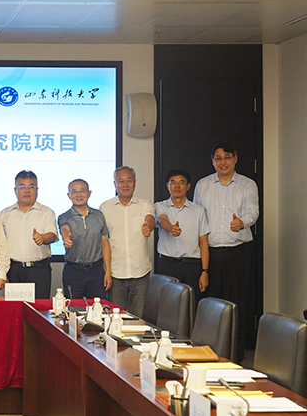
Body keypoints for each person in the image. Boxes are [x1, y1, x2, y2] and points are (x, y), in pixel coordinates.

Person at [194, 143, 259, 361]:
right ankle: (210, 353)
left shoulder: (247, 185)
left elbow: (253, 211)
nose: (223, 162)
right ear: (212, 161)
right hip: (210, 254)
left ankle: (235, 357)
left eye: (227, 157)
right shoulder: (203, 185)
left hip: (238, 253)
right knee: (211, 305)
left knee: (236, 305)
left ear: (235, 159)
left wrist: (242, 222)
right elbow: (197, 217)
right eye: (218, 158)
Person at [99, 166, 155, 316]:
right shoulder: (105, 207)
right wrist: (107, 271)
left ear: (135, 182)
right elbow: (103, 240)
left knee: (139, 317)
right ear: (115, 184)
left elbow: (150, 219)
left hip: (140, 271)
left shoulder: (145, 204)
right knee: (116, 317)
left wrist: (148, 227)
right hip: (115, 273)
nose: (125, 185)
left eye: (129, 180)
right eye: (121, 181)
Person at [0, 170, 58, 299]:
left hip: (39, 269)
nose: (26, 191)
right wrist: (3, 272)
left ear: (37, 189)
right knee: (15, 308)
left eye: (31, 186)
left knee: (39, 308)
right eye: (22, 186)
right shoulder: (5, 214)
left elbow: (52, 235)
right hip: (13, 269)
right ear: (15, 190)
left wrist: (43, 238)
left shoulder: (46, 212)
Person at [155, 169, 210, 302]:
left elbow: (203, 243)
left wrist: (205, 271)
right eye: (173, 182)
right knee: (166, 305)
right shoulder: (160, 206)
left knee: (191, 304)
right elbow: (162, 220)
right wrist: (171, 228)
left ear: (188, 186)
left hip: (192, 266)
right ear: (167, 186)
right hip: (167, 265)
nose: (177, 186)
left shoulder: (198, 211)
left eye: (181, 182)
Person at [57, 179, 111, 299]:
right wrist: (66, 238)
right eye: (74, 192)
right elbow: (64, 229)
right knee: (73, 307)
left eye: (82, 191)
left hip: (96, 271)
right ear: (69, 195)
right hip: (73, 271)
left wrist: (107, 271)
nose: (78, 195)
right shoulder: (64, 217)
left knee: (99, 307)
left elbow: (104, 242)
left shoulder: (98, 215)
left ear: (89, 193)